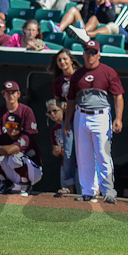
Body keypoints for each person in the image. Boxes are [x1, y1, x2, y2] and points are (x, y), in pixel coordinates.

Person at [64, 39, 124, 204]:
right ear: (83, 54)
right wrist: (67, 121)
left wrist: (118, 118)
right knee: (84, 155)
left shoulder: (108, 72)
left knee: (103, 154)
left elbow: (118, 96)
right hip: (81, 115)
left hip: (101, 115)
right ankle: (88, 191)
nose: (90, 55)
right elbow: (70, 100)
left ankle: (108, 191)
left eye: (93, 52)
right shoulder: (77, 75)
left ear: (99, 54)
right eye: (88, 52)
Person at [0, 81, 39, 193]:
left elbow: (28, 137)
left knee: (15, 156)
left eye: (13, 92)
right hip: (8, 159)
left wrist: (6, 147)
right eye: (8, 93)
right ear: (3, 94)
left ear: (19, 94)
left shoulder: (26, 111)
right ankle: (5, 182)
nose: (10, 95)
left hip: (30, 164)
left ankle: (26, 183)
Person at [48, 49, 81, 194]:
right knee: (68, 153)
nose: (63, 62)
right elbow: (57, 100)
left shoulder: (81, 76)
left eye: (65, 59)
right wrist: (62, 105)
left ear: (71, 60)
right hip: (68, 121)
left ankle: (89, 187)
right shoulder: (58, 81)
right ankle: (69, 186)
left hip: (83, 119)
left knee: (85, 153)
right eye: (59, 60)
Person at [46, 99, 72, 194]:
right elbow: (54, 150)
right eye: (49, 112)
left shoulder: (72, 124)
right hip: (64, 164)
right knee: (65, 194)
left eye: (55, 111)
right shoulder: (54, 130)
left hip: (77, 164)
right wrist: (56, 151)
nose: (52, 114)